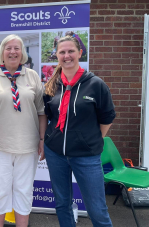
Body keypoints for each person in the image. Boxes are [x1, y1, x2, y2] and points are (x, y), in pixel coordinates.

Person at [0, 34, 47, 227]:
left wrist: (42, 140)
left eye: (17, 48)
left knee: (24, 193)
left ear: (22, 53)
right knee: (0, 193)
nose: (13, 52)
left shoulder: (32, 76)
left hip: (28, 147)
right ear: (2, 53)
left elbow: (41, 112)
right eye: (8, 48)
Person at [43, 36, 115, 227]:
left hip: (86, 156)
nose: (67, 56)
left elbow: (107, 117)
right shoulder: (52, 85)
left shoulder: (96, 84)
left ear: (80, 53)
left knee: (97, 210)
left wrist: (91, 139)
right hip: (55, 153)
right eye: (62, 52)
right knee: (62, 204)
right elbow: (49, 115)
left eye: (71, 51)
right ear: (57, 56)